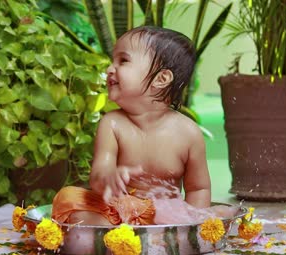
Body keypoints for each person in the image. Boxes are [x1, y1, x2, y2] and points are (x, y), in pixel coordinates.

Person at [52, 26, 212, 225]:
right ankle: (117, 236)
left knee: (213, 213)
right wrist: (107, 178)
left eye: (123, 61)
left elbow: (198, 189)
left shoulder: (188, 133)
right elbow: (99, 172)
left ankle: (133, 237)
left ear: (161, 79)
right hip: (117, 213)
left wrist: (192, 224)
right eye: (113, 61)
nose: (110, 68)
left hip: (161, 218)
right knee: (67, 197)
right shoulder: (112, 123)